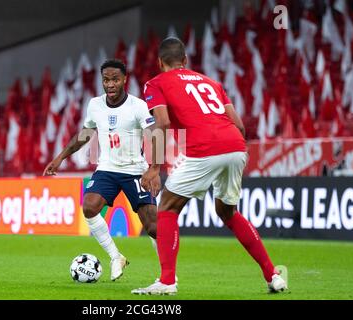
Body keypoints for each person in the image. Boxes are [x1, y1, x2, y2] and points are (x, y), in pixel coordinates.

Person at [132, 38, 287, 295]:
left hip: (205, 148)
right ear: (185, 61)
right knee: (228, 212)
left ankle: (167, 282)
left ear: (160, 63)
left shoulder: (155, 83)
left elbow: (161, 123)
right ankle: (272, 275)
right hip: (236, 145)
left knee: (167, 207)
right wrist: (232, 151)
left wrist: (153, 167)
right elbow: (238, 124)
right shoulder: (211, 83)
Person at [44, 59, 158, 281]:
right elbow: (86, 134)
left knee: (153, 228)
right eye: (106, 80)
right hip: (107, 168)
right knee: (89, 207)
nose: (111, 84)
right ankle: (116, 256)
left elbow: (156, 134)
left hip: (135, 169)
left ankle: (167, 277)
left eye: (115, 79)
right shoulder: (95, 104)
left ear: (125, 79)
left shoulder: (137, 105)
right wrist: (60, 158)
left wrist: (154, 169)